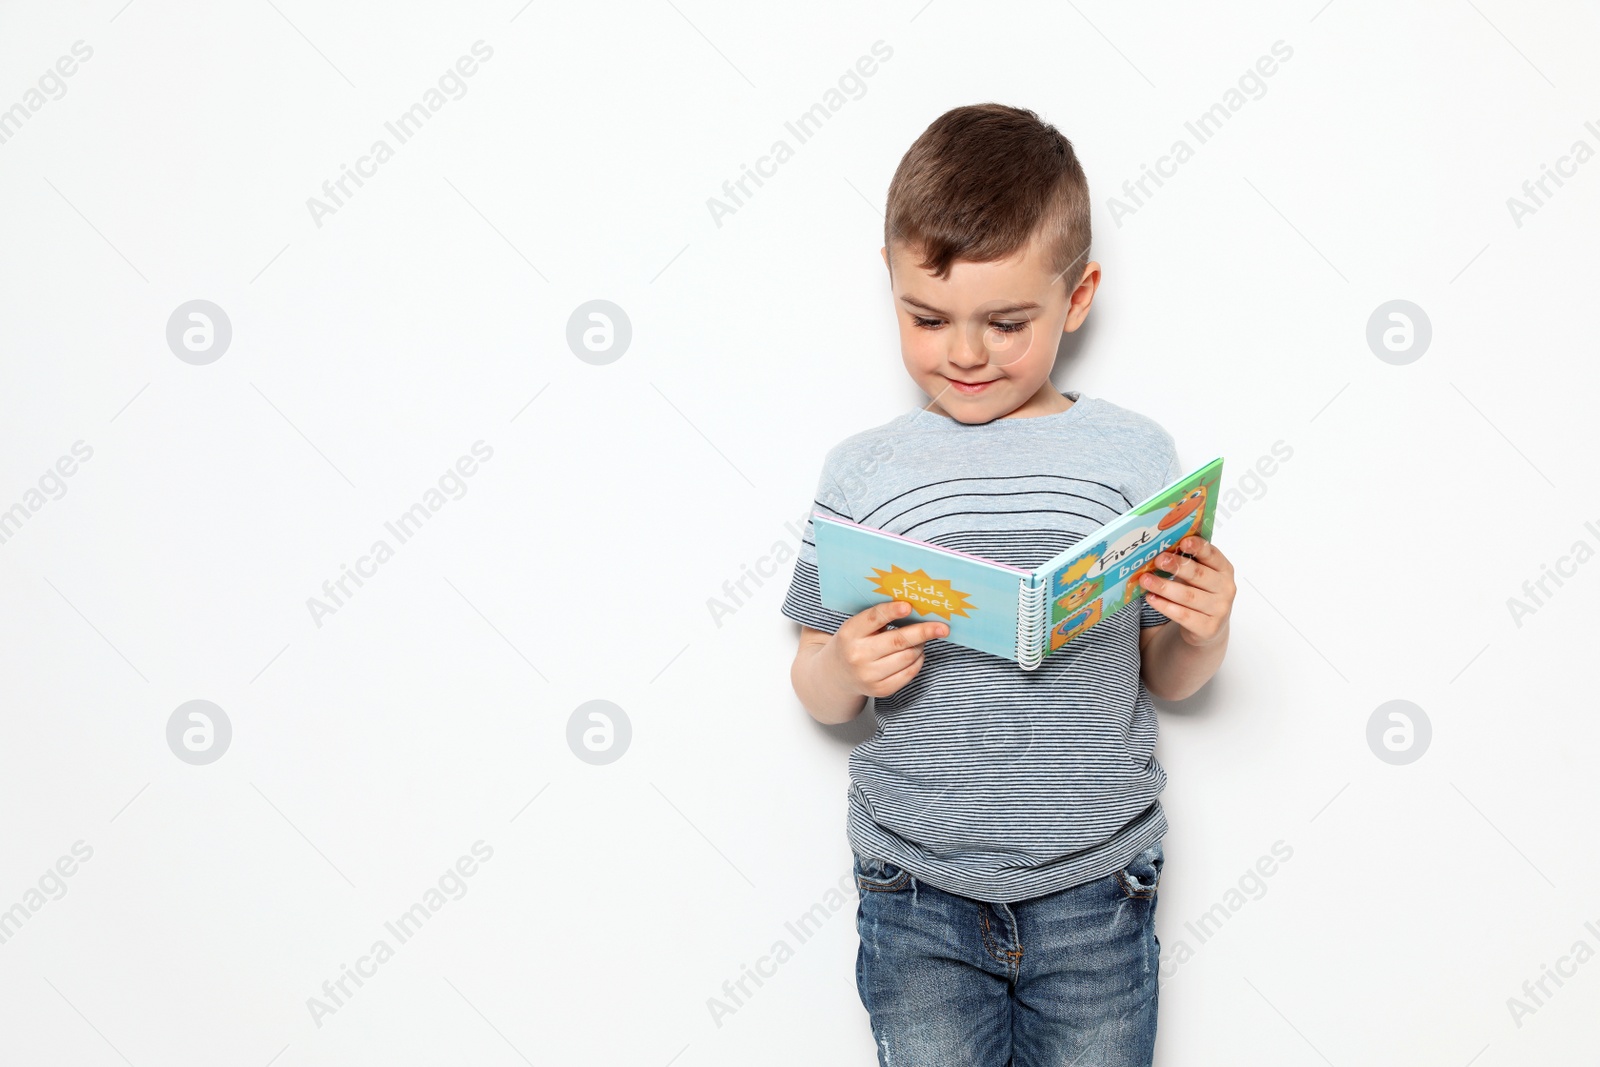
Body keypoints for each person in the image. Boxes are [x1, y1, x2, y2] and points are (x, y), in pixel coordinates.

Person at [781, 103, 1237, 1067]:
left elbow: (1169, 675)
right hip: (917, 890)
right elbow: (815, 684)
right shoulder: (864, 471)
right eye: (927, 317)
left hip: (1097, 887)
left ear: (1078, 298)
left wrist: (1201, 632)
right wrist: (847, 664)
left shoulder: (1133, 454)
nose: (966, 353)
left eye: (1007, 322)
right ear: (891, 287)